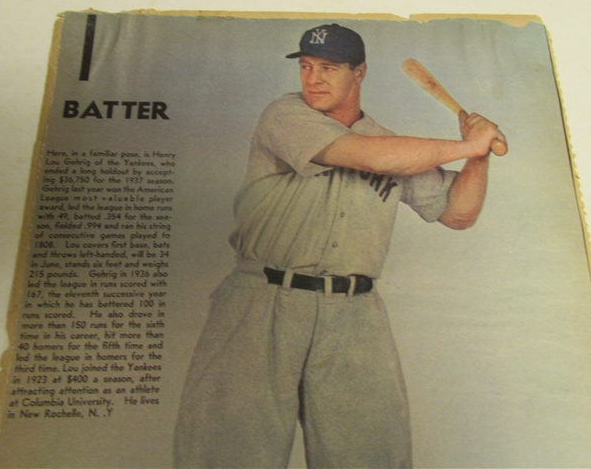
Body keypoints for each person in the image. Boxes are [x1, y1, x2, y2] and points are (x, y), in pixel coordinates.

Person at [173, 24, 504, 468]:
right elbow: (369, 156)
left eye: (328, 68)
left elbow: (458, 213)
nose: (313, 78)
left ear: (359, 73)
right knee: (229, 454)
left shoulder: (397, 145)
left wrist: (476, 157)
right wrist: (466, 142)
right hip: (262, 301)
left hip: (353, 313)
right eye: (307, 67)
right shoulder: (284, 116)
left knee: (369, 457)